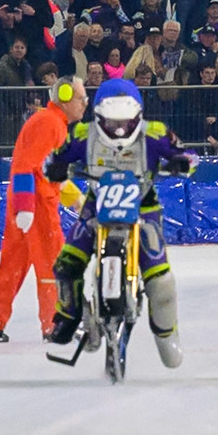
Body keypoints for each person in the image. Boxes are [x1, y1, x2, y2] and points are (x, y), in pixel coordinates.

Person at [41, 78, 198, 368]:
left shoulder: (156, 133)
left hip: (143, 206)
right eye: (112, 123)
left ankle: (166, 337)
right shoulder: (80, 134)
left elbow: (190, 155)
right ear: (99, 117)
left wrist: (180, 162)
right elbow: (50, 159)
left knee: (161, 282)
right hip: (96, 204)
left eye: (126, 122)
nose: (120, 130)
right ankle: (69, 315)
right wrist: (56, 167)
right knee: (67, 263)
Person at [0, 78, 89, 343]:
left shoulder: (54, 125)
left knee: (13, 264)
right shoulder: (49, 124)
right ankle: (54, 324)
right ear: (64, 97)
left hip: (28, 203)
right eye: (80, 98)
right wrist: (26, 208)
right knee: (54, 265)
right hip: (36, 206)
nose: (85, 104)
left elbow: (52, 173)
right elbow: (25, 166)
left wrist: (77, 200)